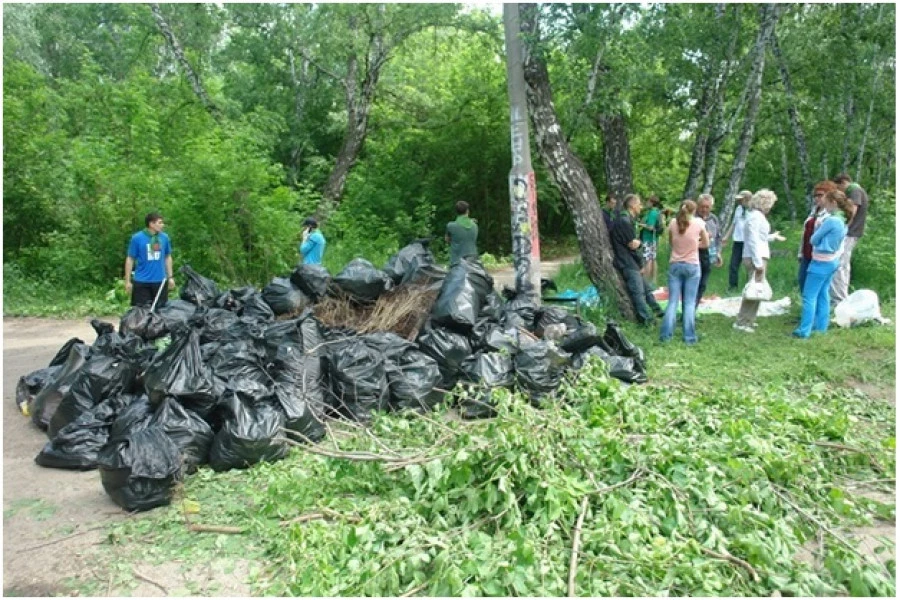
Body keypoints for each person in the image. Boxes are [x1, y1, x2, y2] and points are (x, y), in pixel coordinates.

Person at [793, 190, 853, 339]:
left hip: (821, 261)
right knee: (823, 294)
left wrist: (819, 228)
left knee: (809, 296)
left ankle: (804, 330)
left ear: (833, 203)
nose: (824, 205)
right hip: (832, 261)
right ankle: (821, 327)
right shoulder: (842, 219)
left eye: (826, 202)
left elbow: (813, 239)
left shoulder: (831, 221)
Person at [733, 189, 785, 332]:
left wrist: (772, 237)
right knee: (754, 289)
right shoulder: (755, 217)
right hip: (756, 256)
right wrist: (758, 262)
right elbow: (752, 239)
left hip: (758, 254)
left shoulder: (757, 216)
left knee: (757, 289)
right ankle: (743, 322)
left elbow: (760, 237)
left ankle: (749, 318)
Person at [610, 194, 665, 325]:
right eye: (639, 204)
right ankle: (645, 319)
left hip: (631, 260)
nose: (641, 207)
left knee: (646, 289)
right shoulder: (624, 221)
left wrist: (637, 243)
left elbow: (634, 243)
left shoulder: (628, 219)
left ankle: (658, 311)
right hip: (627, 261)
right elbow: (631, 245)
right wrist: (640, 263)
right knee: (638, 292)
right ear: (633, 205)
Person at [659, 200, 708, 345]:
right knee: (689, 302)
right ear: (694, 210)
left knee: (673, 301)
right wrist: (694, 245)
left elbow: (671, 242)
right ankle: (689, 337)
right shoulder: (699, 223)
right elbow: (706, 243)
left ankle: (666, 335)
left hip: (675, 264)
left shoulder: (673, 223)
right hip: (692, 265)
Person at [830, 173, 868, 306]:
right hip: (852, 232)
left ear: (843, 182)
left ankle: (839, 299)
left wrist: (844, 227)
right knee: (843, 265)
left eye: (838, 187)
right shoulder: (856, 190)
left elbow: (852, 210)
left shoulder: (855, 190)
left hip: (850, 233)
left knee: (840, 265)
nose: (840, 191)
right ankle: (840, 297)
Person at [124, 212, 175, 308]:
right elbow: (130, 259)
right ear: (151, 224)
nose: (162, 225)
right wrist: (127, 281)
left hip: (160, 280)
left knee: (160, 312)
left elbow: (167, 257)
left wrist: (170, 277)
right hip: (142, 280)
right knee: (141, 312)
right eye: (159, 223)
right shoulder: (137, 238)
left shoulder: (164, 238)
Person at [797, 181, 836, 292]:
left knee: (815, 289)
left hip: (819, 256)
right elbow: (805, 233)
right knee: (802, 281)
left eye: (820, 195)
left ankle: (813, 309)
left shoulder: (830, 215)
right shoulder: (813, 211)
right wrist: (800, 252)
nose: (817, 198)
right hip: (806, 253)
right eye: (815, 195)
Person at [695, 193, 723, 308]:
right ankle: (689, 312)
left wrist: (718, 252)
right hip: (695, 255)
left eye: (707, 207)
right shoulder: (693, 218)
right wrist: (704, 237)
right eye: (702, 206)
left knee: (703, 284)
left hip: (710, 255)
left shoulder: (714, 219)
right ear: (698, 206)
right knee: (694, 284)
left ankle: (694, 308)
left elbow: (718, 237)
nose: (704, 209)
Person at [723, 190, 751, 291]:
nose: (739, 202)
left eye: (741, 200)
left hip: (748, 241)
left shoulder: (753, 211)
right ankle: (733, 287)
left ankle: (749, 287)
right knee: (733, 265)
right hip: (737, 241)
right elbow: (734, 223)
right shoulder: (738, 209)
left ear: (747, 199)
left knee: (749, 265)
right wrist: (726, 236)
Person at [637, 195, 664, 284]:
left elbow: (650, 227)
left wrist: (640, 225)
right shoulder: (655, 212)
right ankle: (654, 280)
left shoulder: (652, 213)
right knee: (652, 258)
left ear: (652, 202)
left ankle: (647, 281)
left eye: (648, 201)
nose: (646, 203)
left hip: (648, 239)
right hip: (653, 239)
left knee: (647, 259)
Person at [445, 200, 478, 265]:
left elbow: (447, 240)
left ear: (456, 212)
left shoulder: (450, 226)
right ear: (467, 211)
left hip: (457, 262)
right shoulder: (475, 225)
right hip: (473, 262)